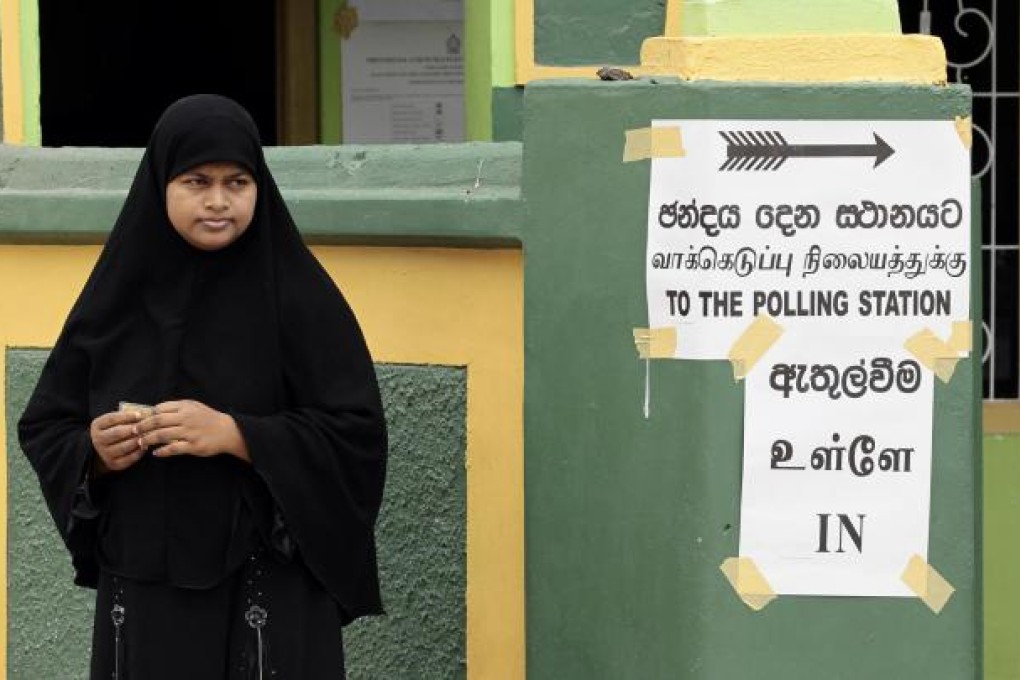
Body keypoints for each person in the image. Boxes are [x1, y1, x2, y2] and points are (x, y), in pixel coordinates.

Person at [17, 94, 387, 679]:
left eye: (237, 181)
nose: (218, 201)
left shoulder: (299, 298)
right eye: (197, 181)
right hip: (146, 587)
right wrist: (94, 453)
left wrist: (237, 434)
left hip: (267, 584)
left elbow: (357, 438)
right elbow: (44, 425)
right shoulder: (114, 301)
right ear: (162, 182)